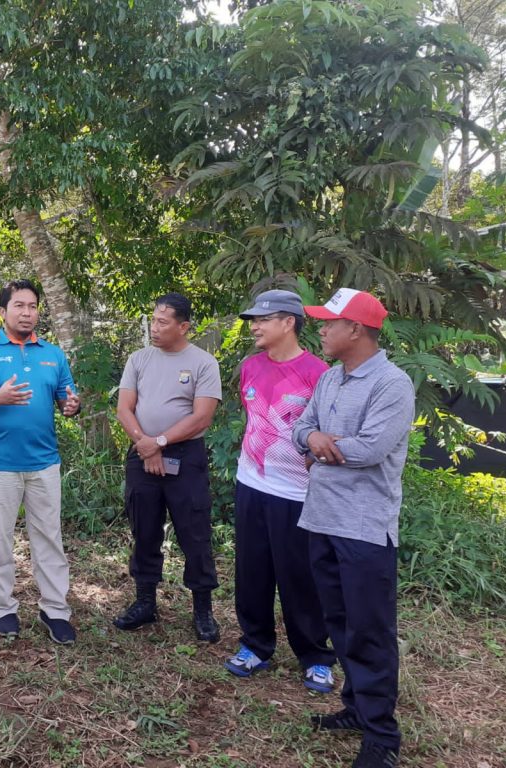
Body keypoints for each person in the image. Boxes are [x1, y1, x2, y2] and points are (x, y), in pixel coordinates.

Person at [293, 289, 414, 768]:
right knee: (339, 622)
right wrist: (320, 438)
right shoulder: (329, 379)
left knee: (370, 629)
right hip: (321, 517)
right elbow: (300, 429)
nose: (321, 331)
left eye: (328, 324)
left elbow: (369, 450)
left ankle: (382, 736)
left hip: (364, 528)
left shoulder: (392, 383)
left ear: (356, 330)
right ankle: (354, 708)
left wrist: (321, 442)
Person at [0, 279, 81, 644]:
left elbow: (66, 399)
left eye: (32, 306)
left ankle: (55, 610)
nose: (27, 312)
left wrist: (73, 406)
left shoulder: (53, 354)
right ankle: (3, 609)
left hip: (44, 461)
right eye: (19, 306)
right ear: (3, 311)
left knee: (49, 537)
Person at [224, 290, 335, 692]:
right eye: (252, 319)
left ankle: (316, 656)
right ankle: (255, 646)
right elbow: (252, 418)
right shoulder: (251, 367)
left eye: (262, 319)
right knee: (252, 569)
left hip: (297, 493)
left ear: (289, 322)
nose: (253, 325)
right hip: (251, 483)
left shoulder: (318, 372)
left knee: (300, 576)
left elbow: (326, 432)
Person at [113, 291, 222, 643]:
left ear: (184, 326)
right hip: (141, 452)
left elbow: (202, 415)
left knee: (194, 532)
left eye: (163, 322)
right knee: (144, 528)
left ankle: (202, 610)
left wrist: (159, 443)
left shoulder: (204, 363)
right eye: (154, 319)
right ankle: (145, 602)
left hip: (185, 456)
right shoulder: (139, 359)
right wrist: (146, 445)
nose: (155, 327)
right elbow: (124, 408)